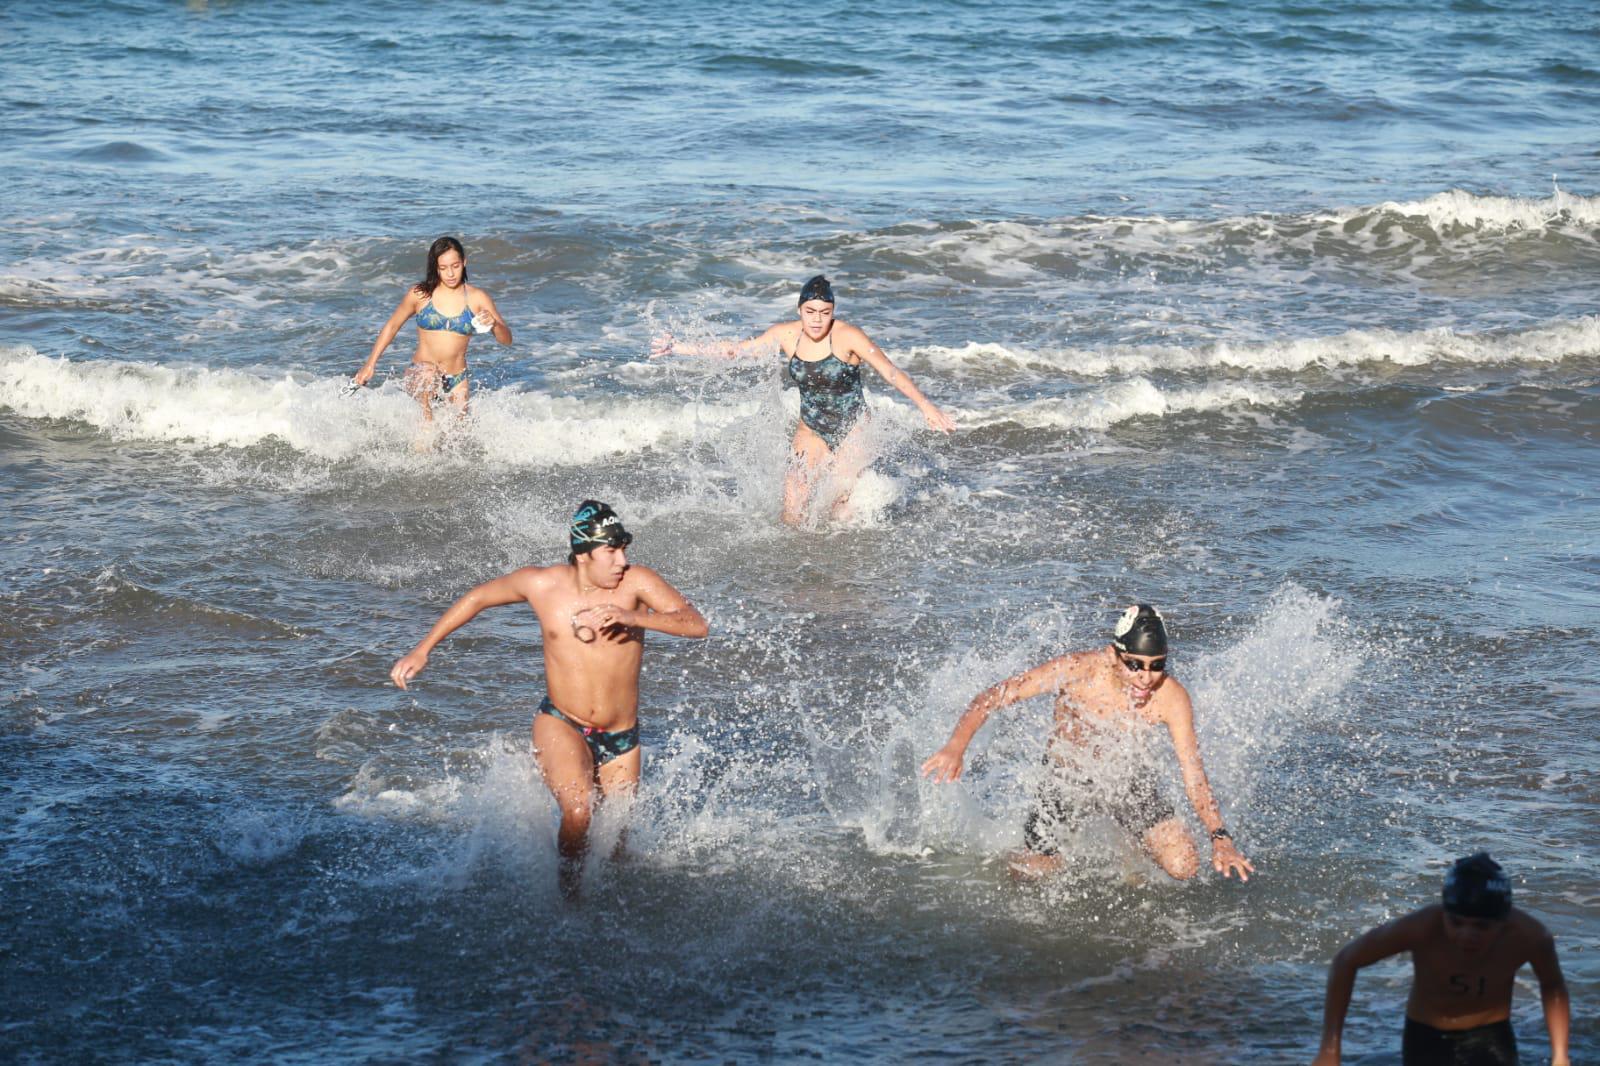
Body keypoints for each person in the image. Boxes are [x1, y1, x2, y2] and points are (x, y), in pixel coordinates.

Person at [389, 501, 708, 894]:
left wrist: (635, 617)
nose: (621, 560)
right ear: (583, 555)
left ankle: (607, 921)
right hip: (562, 721)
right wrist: (423, 649)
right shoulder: (542, 585)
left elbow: (696, 624)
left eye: (623, 549)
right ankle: (568, 907)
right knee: (579, 812)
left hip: (622, 738)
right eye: (611, 551)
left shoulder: (638, 583)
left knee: (618, 853)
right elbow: (477, 598)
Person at [920, 604, 1254, 881]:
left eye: (1157, 666)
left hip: (1127, 780)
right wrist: (955, 746)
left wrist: (1219, 837)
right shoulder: (1078, 671)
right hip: (1065, 780)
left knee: (1184, 866)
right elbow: (997, 695)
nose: (1145, 677)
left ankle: (1132, 840)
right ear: (1113, 655)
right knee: (1032, 875)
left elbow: (1193, 774)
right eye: (1134, 664)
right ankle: (1018, 854)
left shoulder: (1171, 698)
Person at [653, 275, 955, 523]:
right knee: (792, 506)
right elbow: (737, 350)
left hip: (853, 428)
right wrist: (679, 347)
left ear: (833, 312)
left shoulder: (849, 336)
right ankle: (794, 565)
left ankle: (840, 558)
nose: (817, 320)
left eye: (825, 313)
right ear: (800, 310)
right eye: (810, 312)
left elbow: (890, 371)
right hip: (810, 429)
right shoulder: (786, 335)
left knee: (837, 507)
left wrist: (925, 406)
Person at [1313, 852, 1570, 1066]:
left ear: (1504, 921)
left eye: (1481, 927)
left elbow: (1552, 985)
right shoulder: (1422, 927)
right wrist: (1330, 1048)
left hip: (1490, 1037)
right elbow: (1346, 960)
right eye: (1456, 922)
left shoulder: (1530, 937)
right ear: (1444, 911)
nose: (1466, 935)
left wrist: (1560, 1055)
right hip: (1426, 1037)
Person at [351, 236, 512, 421]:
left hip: (456, 378)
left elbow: (506, 340)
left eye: (455, 266)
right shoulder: (420, 295)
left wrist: (494, 324)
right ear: (435, 267)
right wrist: (369, 364)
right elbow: (392, 326)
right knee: (428, 419)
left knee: (460, 436)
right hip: (421, 375)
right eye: (443, 268)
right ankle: (425, 426)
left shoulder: (477, 298)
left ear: (464, 262)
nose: (450, 274)